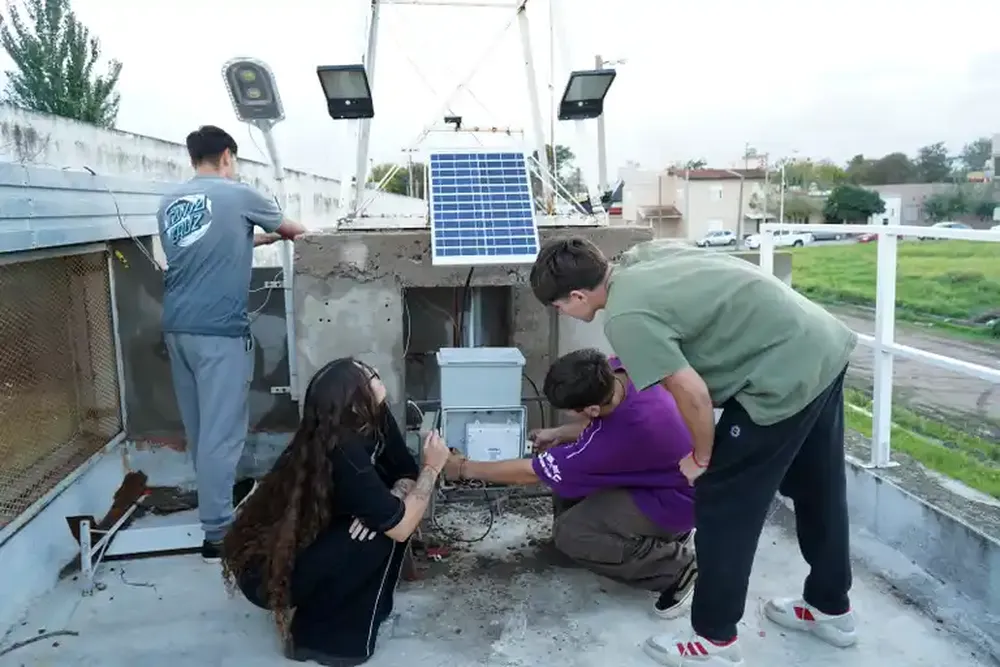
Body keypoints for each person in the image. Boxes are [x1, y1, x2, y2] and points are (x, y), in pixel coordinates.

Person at [529, 238, 858, 667]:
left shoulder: (625, 319)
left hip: (779, 376)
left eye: (558, 306)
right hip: (820, 342)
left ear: (577, 296)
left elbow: (693, 394)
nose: (561, 312)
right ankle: (831, 609)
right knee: (819, 488)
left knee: (723, 504)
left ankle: (713, 642)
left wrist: (702, 459)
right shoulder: (643, 256)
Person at [221, 358, 449, 666]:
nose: (379, 376)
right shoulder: (343, 451)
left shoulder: (373, 417)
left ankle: (341, 619)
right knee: (379, 534)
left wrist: (395, 492)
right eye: (371, 376)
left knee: (381, 518)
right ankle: (321, 642)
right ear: (354, 400)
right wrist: (433, 468)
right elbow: (401, 526)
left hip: (308, 541)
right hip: (267, 573)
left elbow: (402, 467)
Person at [443, 348, 697, 618]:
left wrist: (462, 468)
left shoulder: (617, 440)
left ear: (591, 409)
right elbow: (606, 427)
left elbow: (530, 473)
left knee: (571, 532)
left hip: (677, 499)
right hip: (665, 473)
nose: (568, 417)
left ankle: (677, 568)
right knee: (568, 482)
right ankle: (623, 544)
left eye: (569, 413)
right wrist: (559, 433)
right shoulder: (624, 368)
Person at [157, 125, 307, 561]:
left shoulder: (171, 203)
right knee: (222, 435)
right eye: (234, 160)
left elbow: (212, 244)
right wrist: (284, 231)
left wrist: (262, 237)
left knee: (201, 428)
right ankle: (218, 532)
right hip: (219, 333)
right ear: (227, 156)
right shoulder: (238, 194)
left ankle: (214, 508)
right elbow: (296, 229)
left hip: (178, 329)